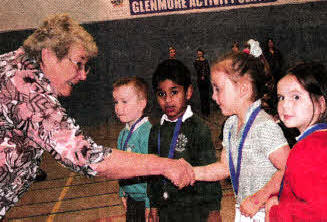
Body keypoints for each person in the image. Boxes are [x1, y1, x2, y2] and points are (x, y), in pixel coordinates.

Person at [0, 13, 194, 220]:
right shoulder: (21, 83)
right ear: (48, 55)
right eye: (78, 64)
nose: (83, 75)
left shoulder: (17, 69)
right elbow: (85, 156)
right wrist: (165, 165)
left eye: (86, 66)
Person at [194, 52, 290, 221]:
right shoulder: (230, 125)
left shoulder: (264, 126)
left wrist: (258, 198)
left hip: (265, 212)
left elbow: (289, 169)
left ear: (244, 89)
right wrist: (190, 172)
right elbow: (225, 168)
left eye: (218, 89)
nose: (213, 96)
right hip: (244, 210)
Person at [266, 62, 327, 222]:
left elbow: (317, 212)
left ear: (321, 104)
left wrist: (275, 211)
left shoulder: (307, 149)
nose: (285, 105)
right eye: (281, 97)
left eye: (296, 96)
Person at [148, 59, 222, 222]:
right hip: (166, 211)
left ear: (188, 92)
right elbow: (152, 173)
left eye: (174, 92)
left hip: (195, 211)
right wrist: (153, 204)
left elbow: (210, 171)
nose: (168, 100)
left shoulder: (198, 128)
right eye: (162, 94)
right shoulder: (155, 131)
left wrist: (214, 210)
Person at [113, 77, 152, 221]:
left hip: (146, 201)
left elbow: (154, 174)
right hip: (132, 199)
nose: (118, 107)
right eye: (116, 102)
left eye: (124, 101)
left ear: (141, 104)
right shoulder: (123, 134)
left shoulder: (147, 134)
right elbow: (121, 168)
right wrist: (122, 191)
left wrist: (150, 203)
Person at [193, 48, 211, 116]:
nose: (199, 54)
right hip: (200, 80)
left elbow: (208, 70)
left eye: (200, 53)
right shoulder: (195, 62)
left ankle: (207, 112)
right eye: (198, 53)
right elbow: (197, 70)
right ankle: (203, 112)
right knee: (202, 96)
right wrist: (201, 75)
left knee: (207, 95)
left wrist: (205, 75)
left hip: (206, 80)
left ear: (202, 53)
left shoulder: (206, 61)